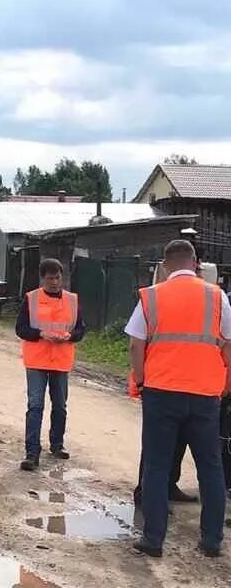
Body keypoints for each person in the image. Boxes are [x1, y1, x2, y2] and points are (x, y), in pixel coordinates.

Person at [126, 239, 231, 558]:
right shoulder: (217, 297)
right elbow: (229, 342)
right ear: (196, 262)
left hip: (161, 391)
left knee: (157, 466)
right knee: (210, 467)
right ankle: (212, 541)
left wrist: (142, 380)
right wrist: (224, 381)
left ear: (166, 264)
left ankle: (153, 540)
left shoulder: (151, 296)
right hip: (204, 394)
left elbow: (135, 345)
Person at [16, 258, 86, 471]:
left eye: (57, 278)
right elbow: (20, 329)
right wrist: (40, 333)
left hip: (61, 361)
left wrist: (70, 336)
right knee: (35, 406)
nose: (54, 282)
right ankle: (32, 453)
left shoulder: (72, 300)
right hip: (37, 360)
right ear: (42, 278)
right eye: (50, 278)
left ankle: (57, 445)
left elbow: (81, 330)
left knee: (60, 407)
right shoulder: (31, 299)